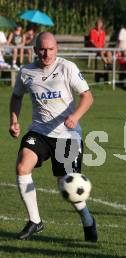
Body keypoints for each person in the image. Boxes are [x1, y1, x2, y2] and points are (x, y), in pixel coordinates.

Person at [9, 32, 97, 242]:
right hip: (39, 131)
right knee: (22, 167)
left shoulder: (67, 68)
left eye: (50, 49)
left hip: (68, 135)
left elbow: (87, 96)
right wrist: (14, 120)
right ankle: (35, 221)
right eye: (42, 49)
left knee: (65, 184)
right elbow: (16, 97)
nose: (46, 53)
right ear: (35, 50)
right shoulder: (27, 72)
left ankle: (87, 219)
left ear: (56, 49)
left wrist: (75, 117)